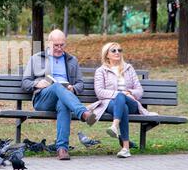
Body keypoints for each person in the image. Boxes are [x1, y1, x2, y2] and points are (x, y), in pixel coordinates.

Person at [21, 29, 96, 161]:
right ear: (49, 43)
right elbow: (25, 82)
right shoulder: (37, 59)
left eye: (62, 45)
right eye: (56, 45)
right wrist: (37, 84)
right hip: (43, 99)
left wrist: (73, 89)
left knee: (63, 103)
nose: (59, 48)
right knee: (56, 85)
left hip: (64, 97)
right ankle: (83, 113)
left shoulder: (72, 60)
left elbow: (80, 84)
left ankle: (62, 149)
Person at [86, 42, 157, 158]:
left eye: (119, 50)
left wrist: (130, 93)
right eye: (113, 51)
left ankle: (114, 126)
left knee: (123, 99)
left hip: (131, 103)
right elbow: (99, 92)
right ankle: (125, 148)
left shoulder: (128, 68)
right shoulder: (101, 71)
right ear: (107, 54)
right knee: (122, 103)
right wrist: (119, 94)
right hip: (109, 103)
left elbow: (139, 90)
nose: (117, 52)